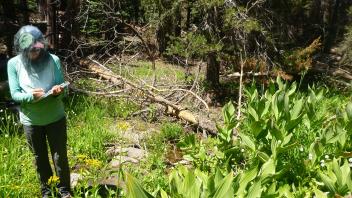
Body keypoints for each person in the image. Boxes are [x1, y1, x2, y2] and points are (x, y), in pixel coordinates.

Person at [7, 25, 71, 198]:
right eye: (28, 51)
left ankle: (65, 191)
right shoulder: (13, 64)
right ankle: (47, 191)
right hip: (31, 121)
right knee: (39, 158)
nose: (32, 54)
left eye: (35, 50)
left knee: (60, 157)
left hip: (55, 117)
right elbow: (15, 94)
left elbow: (62, 88)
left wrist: (58, 91)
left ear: (41, 46)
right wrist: (30, 97)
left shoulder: (54, 60)